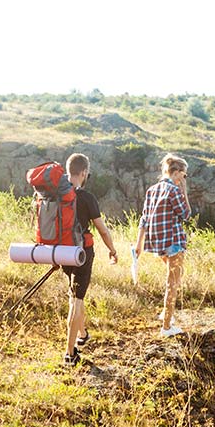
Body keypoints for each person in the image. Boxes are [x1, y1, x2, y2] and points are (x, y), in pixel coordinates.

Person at [61, 153, 118, 366]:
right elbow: (102, 230)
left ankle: (82, 333)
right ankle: (69, 353)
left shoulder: (57, 195)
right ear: (84, 172)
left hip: (61, 252)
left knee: (76, 292)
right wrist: (112, 249)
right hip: (81, 253)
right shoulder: (86, 198)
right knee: (75, 300)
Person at [135, 154, 191, 337]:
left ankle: (167, 313)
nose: (184, 179)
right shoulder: (174, 190)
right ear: (176, 173)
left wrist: (139, 243)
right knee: (172, 283)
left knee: (175, 276)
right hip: (173, 241)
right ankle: (166, 327)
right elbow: (186, 214)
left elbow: (144, 219)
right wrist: (184, 191)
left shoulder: (152, 190)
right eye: (184, 175)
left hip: (158, 243)